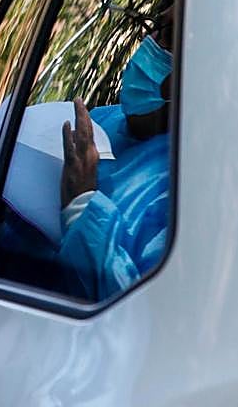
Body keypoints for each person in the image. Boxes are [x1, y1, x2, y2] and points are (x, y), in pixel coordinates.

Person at [57, 33, 172, 301]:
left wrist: (82, 206)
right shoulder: (102, 118)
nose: (148, 44)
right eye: (156, 29)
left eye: (167, 36)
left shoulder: (184, 183)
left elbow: (135, 312)